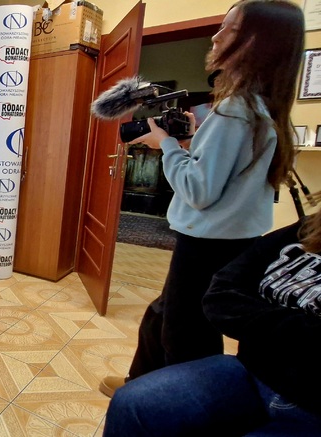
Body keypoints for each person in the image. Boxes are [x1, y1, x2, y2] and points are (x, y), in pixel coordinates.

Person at [100, 0, 304, 397]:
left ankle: (180, 405)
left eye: (230, 29)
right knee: (163, 315)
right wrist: (192, 142)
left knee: (186, 333)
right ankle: (139, 383)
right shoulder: (262, 108)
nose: (215, 36)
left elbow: (198, 191)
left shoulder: (234, 112)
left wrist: (166, 144)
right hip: (234, 239)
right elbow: (226, 173)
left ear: (258, 42)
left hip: (207, 242)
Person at [103, 193, 321, 437]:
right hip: (254, 370)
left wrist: (171, 157)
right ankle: (141, 377)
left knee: (180, 326)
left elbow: (200, 193)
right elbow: (220, 296)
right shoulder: (308, 227)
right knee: (132, 400)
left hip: (309, 403)